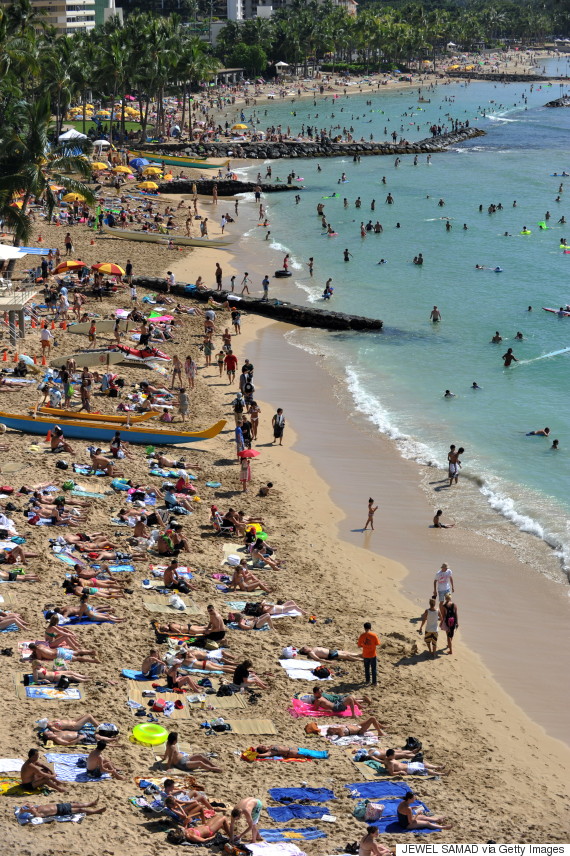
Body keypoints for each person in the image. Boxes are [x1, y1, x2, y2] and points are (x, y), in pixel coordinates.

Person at [19, 798, 106, 819]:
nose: (31, 805)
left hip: (59, 806)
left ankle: (91, 803)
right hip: (60, 811)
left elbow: (27, 803)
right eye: (29, 807)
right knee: (79, 810)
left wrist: (26, 806)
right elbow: (36, 814)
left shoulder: (37, 807)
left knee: (77, 804)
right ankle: (96, 811)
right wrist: (26, 810)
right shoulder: (38, 813)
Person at [357, 622, 380, 686]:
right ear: (370, 628)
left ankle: (367, 680)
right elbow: (377, 643)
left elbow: (359, 645)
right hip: (373, 654)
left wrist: (364, 645)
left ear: (364, 628)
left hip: (365, 654)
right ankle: (374, 682)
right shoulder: (374, 635)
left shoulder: (362, 636)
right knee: (374, 669)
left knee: (367, 668)